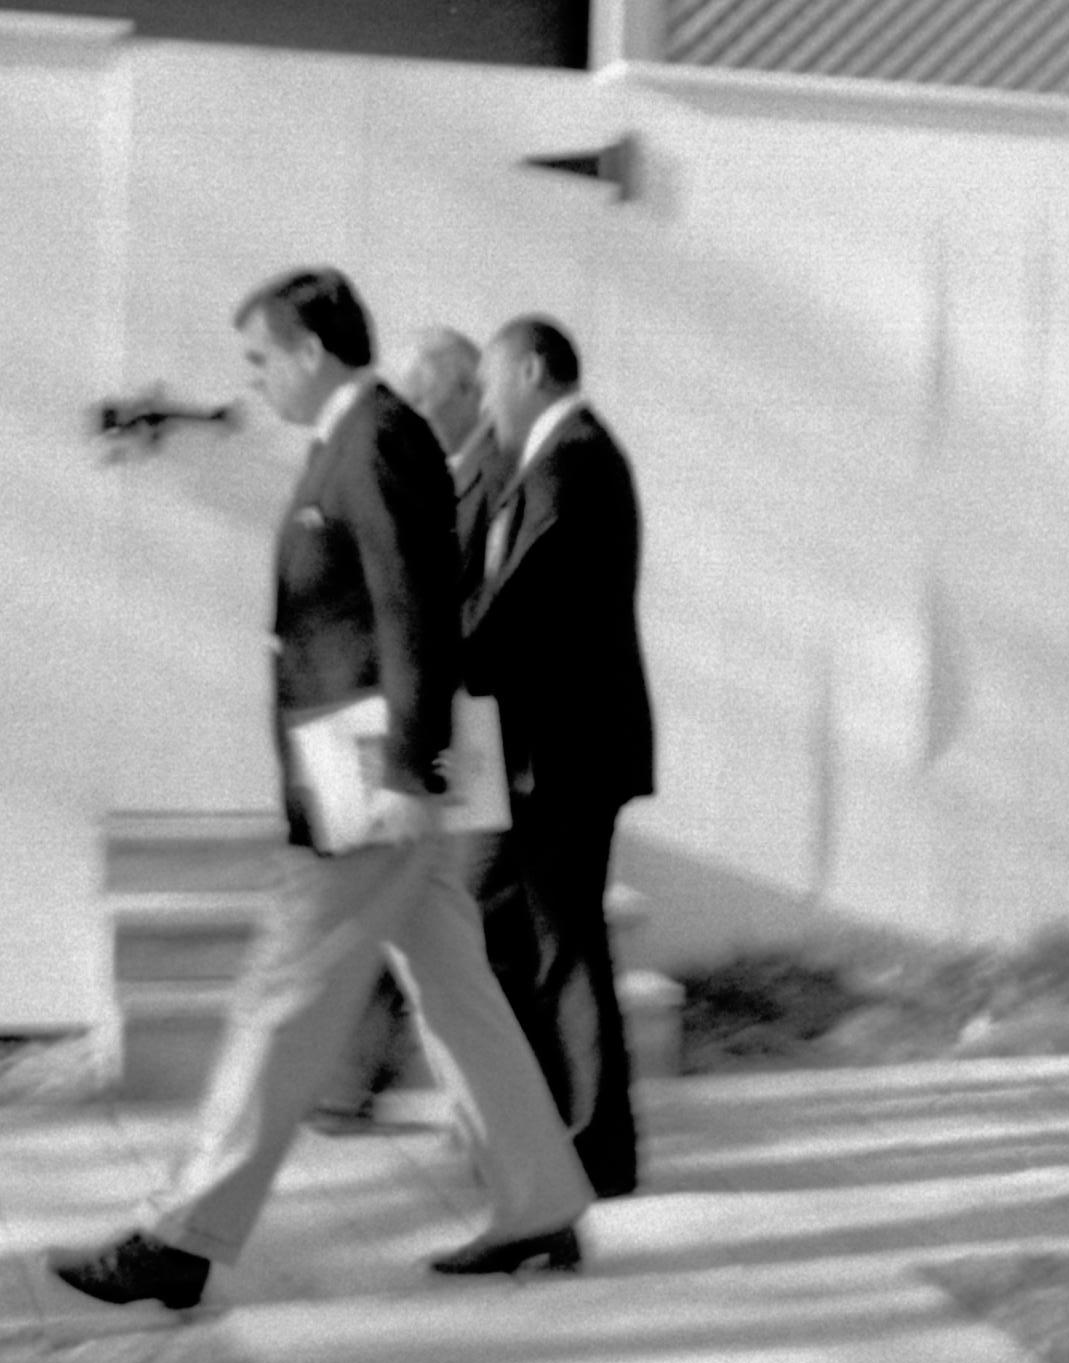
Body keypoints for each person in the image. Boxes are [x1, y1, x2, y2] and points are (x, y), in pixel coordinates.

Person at [51, 268, 594, 1309]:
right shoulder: (354, 438)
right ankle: (537, 1203)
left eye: (261, 358)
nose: (255, 379)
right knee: (459, 997)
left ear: (311, 352)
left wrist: (407, 769)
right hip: (377, 773)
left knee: (281, 997)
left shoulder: (376, 440)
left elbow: (415, 610)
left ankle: (183, 1232)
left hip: (374, 782)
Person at [464, 315, 653, 1200]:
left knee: (563, 947)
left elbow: (522, 606)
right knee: (525, 934)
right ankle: (555, 1129)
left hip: (565, 755)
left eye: (492, 380)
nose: (484, 400)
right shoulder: (550, 457)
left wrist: (432, 664)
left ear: (532, 369)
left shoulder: (571, 459)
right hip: (546, 753)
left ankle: (591, 1146)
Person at [312, 325, 496, 1134]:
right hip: (417, 719)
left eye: (426, 399)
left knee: (444, 914)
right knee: (403, 906)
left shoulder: (492, 471)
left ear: (465, 391)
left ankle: (473, 1108)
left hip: (464, 722)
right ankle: (352, 1079)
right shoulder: (427, 464)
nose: (414, 414)